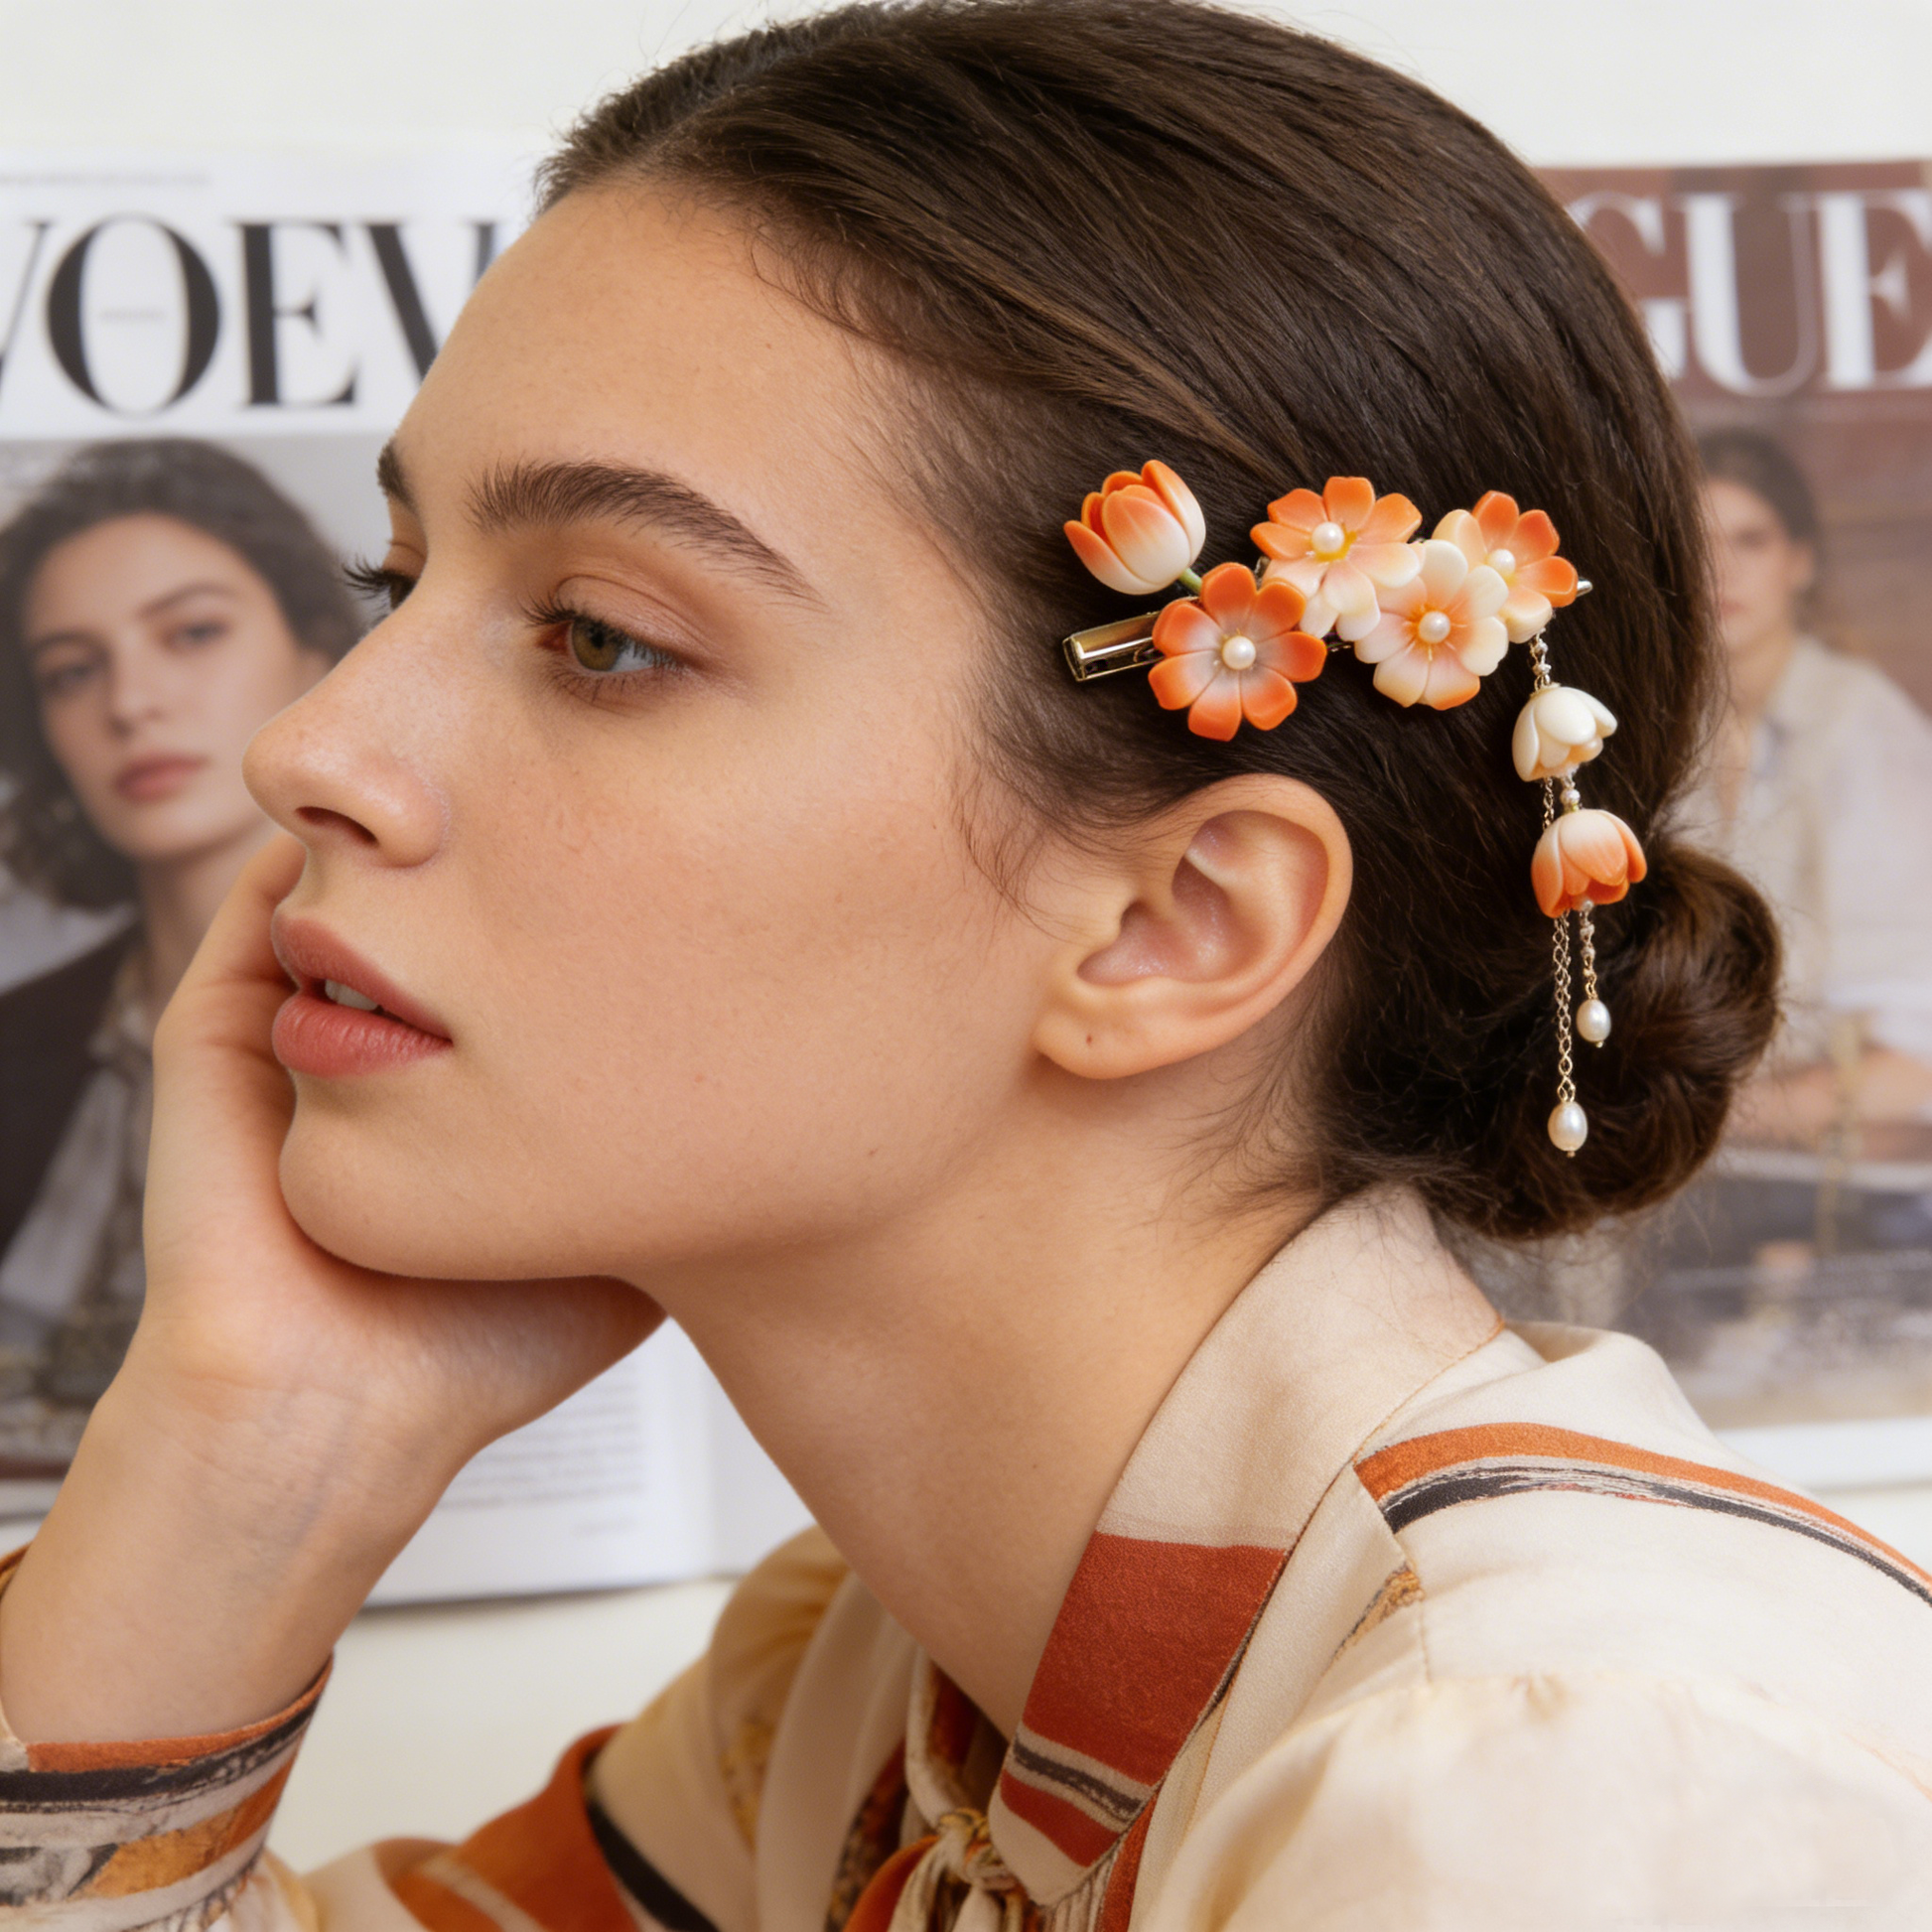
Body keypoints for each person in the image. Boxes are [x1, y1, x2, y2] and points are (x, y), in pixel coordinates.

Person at [0, 4, 1927, 1924]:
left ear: (1176, 923)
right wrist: (247, 1445)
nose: (310, 746)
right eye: (397, 583)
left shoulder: (1562, 1787)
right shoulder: (884, 1710)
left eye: (600, 635)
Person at [0, 441, 354, 1455]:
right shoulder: (15, 1038)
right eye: (73, 670)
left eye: (192, 632)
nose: (130, 702)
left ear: (317, 649)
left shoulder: (437, 1010)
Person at [1696, 428, 1932, 1156]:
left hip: (1835, 1153)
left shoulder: (1863, 723)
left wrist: (1716, 1121)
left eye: (1751, 540)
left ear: (1800, 562)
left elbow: (1911, 1052)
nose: (1722, 570)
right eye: (1696, 543)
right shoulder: (1658, 731)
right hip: (1694, 1131)